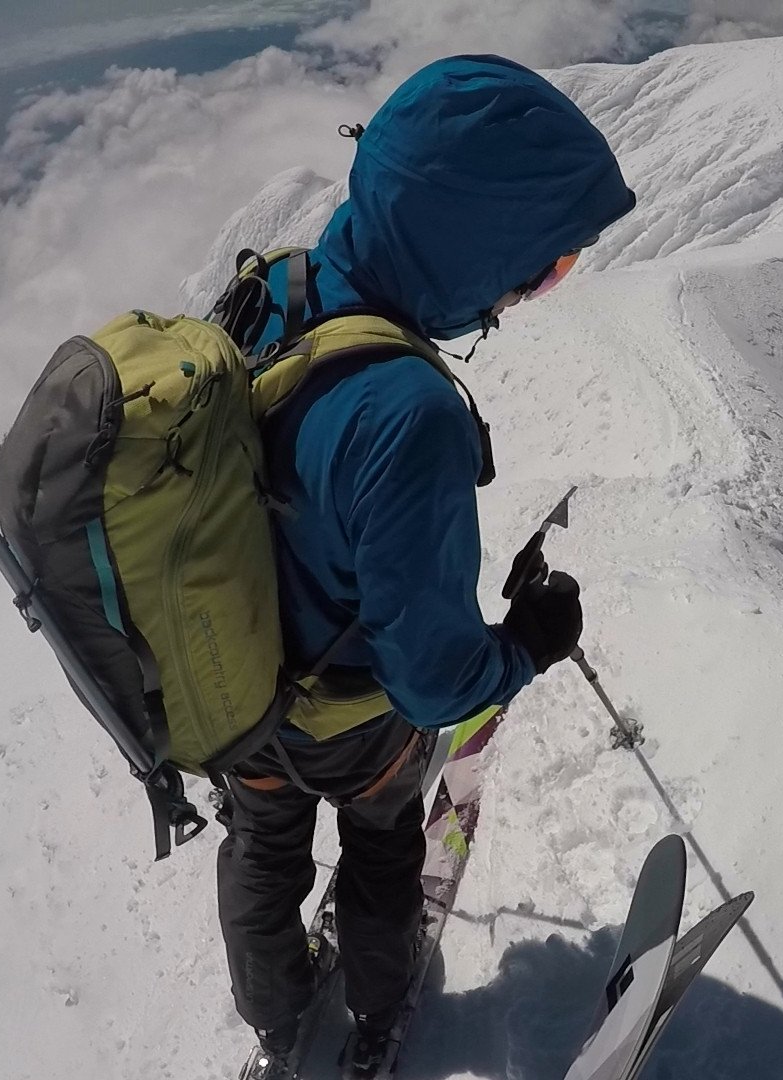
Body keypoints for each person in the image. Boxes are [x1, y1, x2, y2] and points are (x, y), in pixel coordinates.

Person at [215, 55, 636, 1079]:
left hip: (227, 687)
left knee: (264, 854)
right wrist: (527, 644)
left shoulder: (276, 288)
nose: (535, 288)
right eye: (546, 263)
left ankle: (276, 1021)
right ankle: (376, 1011)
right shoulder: (408, 414)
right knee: (382, 848)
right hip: (352, 721)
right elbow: (434, 679)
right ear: (470, 236)